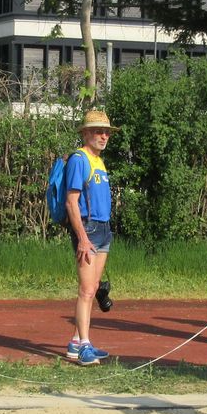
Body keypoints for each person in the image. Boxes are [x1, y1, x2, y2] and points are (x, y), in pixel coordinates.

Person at [65, 109, 117, 366]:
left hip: (103, 229)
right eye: (98, 131)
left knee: (94, 287)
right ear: (85, 133)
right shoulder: (79, 159)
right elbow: (71, 202)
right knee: (86, 290)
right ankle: (84, 345)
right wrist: (82, 238)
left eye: (106, 132)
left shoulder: (98, 160)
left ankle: (77, 342)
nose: (104, 136)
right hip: (89, 229)